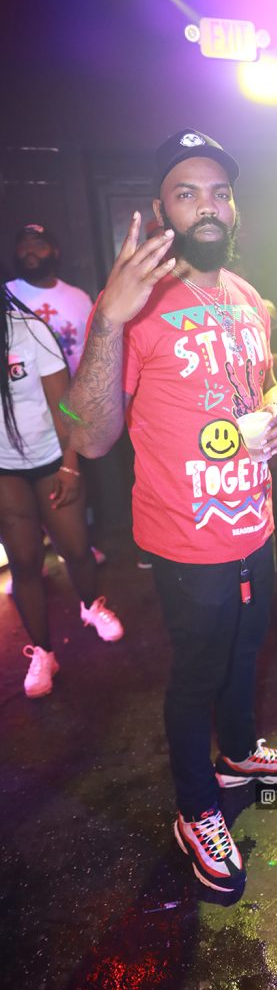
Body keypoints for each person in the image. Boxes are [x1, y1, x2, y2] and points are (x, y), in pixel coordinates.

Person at [62, 129, 277, 894]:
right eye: (187, 192)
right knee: (197, 674)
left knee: (247, 651)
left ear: (234, 209)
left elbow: (265, 383)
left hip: (253, 523)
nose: (207, 206)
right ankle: (197, 808)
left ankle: (238, 754)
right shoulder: (131, 307)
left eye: (219, 192)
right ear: (161, 209)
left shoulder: (246, 296)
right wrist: (108, 320)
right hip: (184, 537)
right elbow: (89, 436)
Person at [0, 286, 123, 698]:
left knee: (75, 548)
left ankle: (91, 605)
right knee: (24, 561)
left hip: (51, 458)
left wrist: (71, 466)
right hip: (5, 469)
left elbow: (64, 407)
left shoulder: (29, 331)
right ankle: (43, 653)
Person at [6, 224, 92, 377]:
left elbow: (92, 349)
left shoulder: (80, 297)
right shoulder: (5, 295)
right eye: (24, 246)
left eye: (39, 245)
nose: (30, 251)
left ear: (55, 252)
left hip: (76, 388)